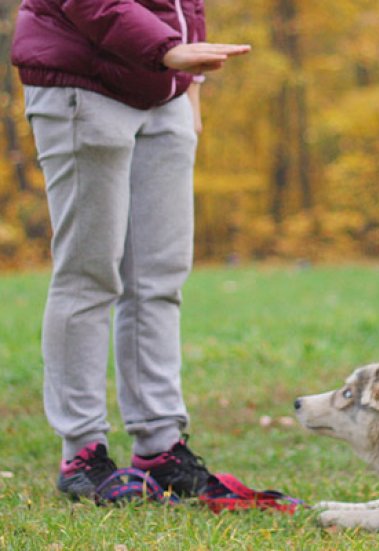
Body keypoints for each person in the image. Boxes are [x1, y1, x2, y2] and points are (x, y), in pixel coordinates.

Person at [11, 0, 250, 499]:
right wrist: (167, 50)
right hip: (84, 83)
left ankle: (160, 445)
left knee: (158, 279)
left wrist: (191, 88)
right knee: (89, 274)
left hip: (166, 91)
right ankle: (82, 452)